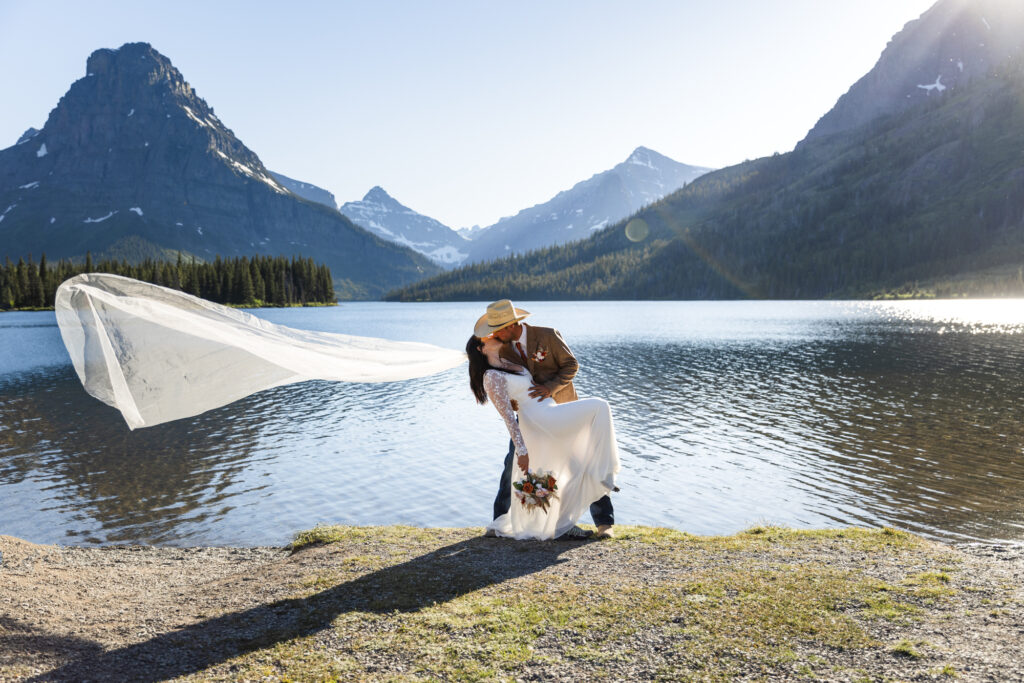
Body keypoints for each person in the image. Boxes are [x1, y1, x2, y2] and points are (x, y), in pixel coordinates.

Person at [468, 300, 620, 540]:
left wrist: (549, 388)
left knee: (582, 460)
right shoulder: (503, 349)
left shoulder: (547, 336)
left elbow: (571, 365)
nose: (494, 333)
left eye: (497, 328)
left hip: (561, 408)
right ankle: (499, 520)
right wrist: (515, 402)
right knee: (512, 464)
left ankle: (604, 523)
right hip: (530, 419)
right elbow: (506, 387)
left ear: (511, 325)